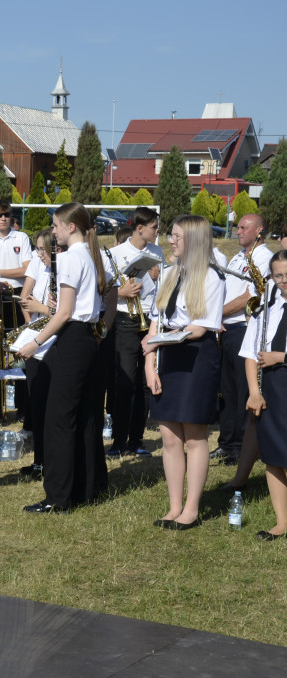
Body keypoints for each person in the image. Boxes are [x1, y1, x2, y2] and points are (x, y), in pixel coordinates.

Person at [16, 203, 111, 513]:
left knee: (59, 420)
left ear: (72, 227)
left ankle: (57, 497)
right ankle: (86, 488)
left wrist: (36, 342)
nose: (52, 230)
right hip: (87, 340)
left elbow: (67, 313)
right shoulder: (91, 254)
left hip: (72, 339)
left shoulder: (70, 257)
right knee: (83, 416)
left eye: (56, 225)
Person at [143, 215, 226, 530]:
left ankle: (191, 509)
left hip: (195, 358)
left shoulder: (211, 278)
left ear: (193, 239)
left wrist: (156, 343)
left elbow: (198, 327)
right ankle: (174, 506)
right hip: (168, 355)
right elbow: (156, 318)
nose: (171, 241)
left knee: (194, 436)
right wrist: (150, 364)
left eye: (177, 236)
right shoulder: (170, 272)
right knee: (168, 435)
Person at [215, 213, 272, 465]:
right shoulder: (239, 257)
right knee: (226, 390)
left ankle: (239, 445)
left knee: (240, 390)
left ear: (259, 230)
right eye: (237, 227)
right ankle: (226, 442)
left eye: (243, 227)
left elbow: (249, 297)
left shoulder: (264, 257)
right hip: (226, 327)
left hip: (242, 328)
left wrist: (217, 315)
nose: (237, 231)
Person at [106, 207, 164, 457]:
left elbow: (160, 289)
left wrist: (156, 278)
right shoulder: (115, 253)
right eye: (154, 227)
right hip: (124, 320)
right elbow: (104, 288)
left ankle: (136, 439)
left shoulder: (157, 252)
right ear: (140, 228)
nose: (157, 231)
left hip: (148, 320)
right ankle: (118, 440)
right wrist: (122, 293)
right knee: (124, 381)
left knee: (143, 381)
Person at [242, 250, 287, 540]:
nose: (284, 281)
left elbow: (272, 355)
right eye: (278, 275)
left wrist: (281, 357)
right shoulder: (267, 307)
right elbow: (250, 353)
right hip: (271, 387)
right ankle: (282, 522)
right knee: (273, 456)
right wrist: (254, 392)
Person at [0, 200, 32, 419]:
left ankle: (22, 404)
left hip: (17, 297)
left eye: (7, 215)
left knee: (19, 351)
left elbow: (27, 269)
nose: (3, 218)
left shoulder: (21, 238)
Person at [16, 230, 56, 479]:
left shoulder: (62, 272)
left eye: (43, 250)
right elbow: (26, 300)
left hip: (54, 344)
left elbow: (63, 312)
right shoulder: (41, 269)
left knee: (49, 407)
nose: (39, 254)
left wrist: (40, 308)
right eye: (37, 249)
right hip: (37, 342)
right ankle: (39, 461)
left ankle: (49, 461)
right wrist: (31, 328)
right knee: (36, 403)